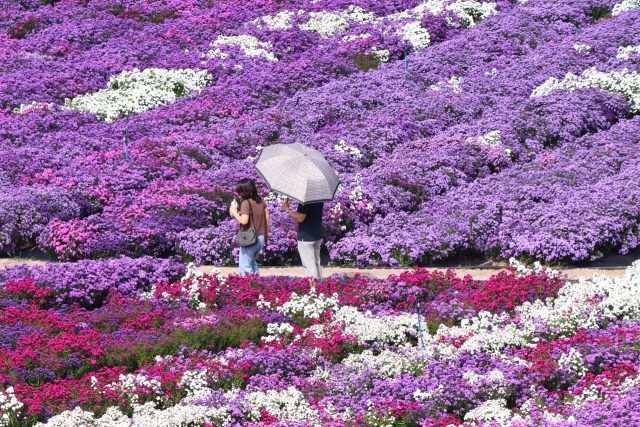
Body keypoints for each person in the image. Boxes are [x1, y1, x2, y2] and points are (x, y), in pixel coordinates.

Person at [229, 178, 269, 276]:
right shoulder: (260, 200)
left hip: (250, 239)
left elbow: (244, 221)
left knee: (245, 266)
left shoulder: (246, 203)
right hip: (260, 238)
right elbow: (267, 217)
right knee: (252, 262)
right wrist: (266, 233)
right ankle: (258, 284)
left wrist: (234, 213)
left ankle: (250, 289)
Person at [281, 199, 323, 281]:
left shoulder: (305, 201)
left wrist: (287, 210)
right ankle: (320, 288)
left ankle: (313, 289)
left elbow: (300, 218)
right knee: (317, 263)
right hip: (317, 234)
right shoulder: (319, 197)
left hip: (306, 237)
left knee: (310, 265)